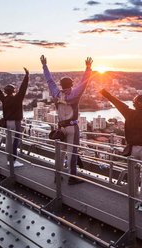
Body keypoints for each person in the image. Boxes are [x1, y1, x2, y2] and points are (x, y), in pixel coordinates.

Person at [40, 55, 92, 185]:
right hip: (72, 127)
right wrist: (88, 68)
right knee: (72, 153)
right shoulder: (74, 94)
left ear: (61, 85)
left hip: (61, 127)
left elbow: (50, 81)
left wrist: (45, 65)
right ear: (71, 85)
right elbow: (84, 83)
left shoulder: (56, 94)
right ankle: (72, 177)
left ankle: (57, 176)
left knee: (61, 153)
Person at [0, 68, 29, 167]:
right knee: (15, 142)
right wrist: (26, 76)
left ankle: (9, 159)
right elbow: (23, 88)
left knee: (8, 141)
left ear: (6, 91)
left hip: (7, 123)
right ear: (13, 91)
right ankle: (13, 161)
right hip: (16, 123)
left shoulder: (4, 98)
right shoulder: (18, 98)